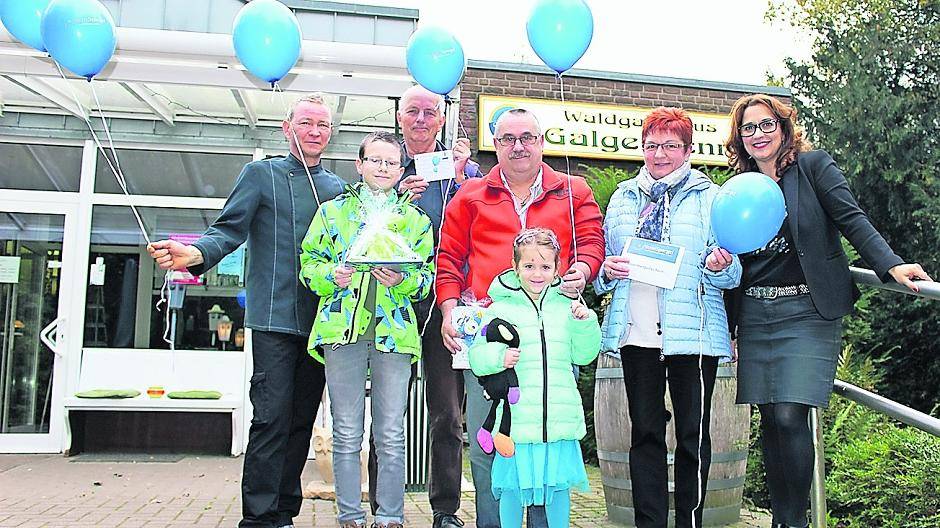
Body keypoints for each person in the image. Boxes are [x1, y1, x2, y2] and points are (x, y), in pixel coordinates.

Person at [723, 94, 933, 528]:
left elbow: (851, 217)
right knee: (769, 417)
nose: (758, 134)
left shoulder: (813, 167)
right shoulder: (737, 185)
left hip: (807, 310)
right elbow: (731, 253)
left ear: (782, 128)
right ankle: (782, 519)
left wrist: (889, 263)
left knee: (789, 412)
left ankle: (795, 521)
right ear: (739, 138)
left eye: (766, 125)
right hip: (756, 313)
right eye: (748, 128)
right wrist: (730, 324)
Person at [148, 93, 346, 528]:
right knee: (271, 418)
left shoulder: (337, 189)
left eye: (323, 126)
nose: (315, 132)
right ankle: (257, 519)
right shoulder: (260, 174)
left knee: (300, 422)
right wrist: (195, 254)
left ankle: (283, 513)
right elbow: (227, 229)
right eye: (307, 123)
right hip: (273, 318)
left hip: (322, 325)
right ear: (286, 127)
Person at [436, 108, 605, 527]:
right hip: (490, 338)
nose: (518, 146)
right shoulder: (471, 194)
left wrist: (580, 273)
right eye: (508, 138)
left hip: (551, 337)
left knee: (546, 437)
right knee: (491, 440)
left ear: (541, 141)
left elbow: (591, 244)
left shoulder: (574, 190)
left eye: (527, 137)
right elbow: (448, 258)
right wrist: (448, 310)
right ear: (495, 144)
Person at [593, 106, 741, 528]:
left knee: (693, 439)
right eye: (652, 145)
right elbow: (605, 267)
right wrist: (607, 271)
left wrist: (720, 265)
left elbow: (733, 274)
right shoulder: (623, 196)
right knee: (645, 436)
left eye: (670, 146)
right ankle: (649, 522)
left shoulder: (711, 198)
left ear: (689, 150)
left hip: (692, 336)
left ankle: (689, 522)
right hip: (637, 334)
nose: (659, 154)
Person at [299, 131, 435, 528]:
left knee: (392, 431)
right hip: (342, 330)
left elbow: (427, 276)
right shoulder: (332, 212)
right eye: (375, 160)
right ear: (359, 165)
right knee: (344, 430)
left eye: (391, 162)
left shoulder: (415, 220)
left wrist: (402, 281)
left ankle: (391, 517)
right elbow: (309, 264)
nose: (382, 168)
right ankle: (349, 516)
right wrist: (332, 276)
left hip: (395, 334)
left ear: (401, 168)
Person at [367, 85, 482, 528]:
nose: (419, 118)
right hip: (394, 298)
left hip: (445, 301)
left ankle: (445, 510)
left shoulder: (466, 171)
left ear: (441, 119)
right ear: (399, 118)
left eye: (428, 111)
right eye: (411, 111)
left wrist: (463, 180)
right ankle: (383, 506)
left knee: (448, 411)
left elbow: (479, 219)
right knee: (388, 408)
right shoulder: (385, 167)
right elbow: (363, 228)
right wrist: (397, 199)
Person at [468, 228, 600, 528]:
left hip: (558, 422)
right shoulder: (499, 308)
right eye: (528, 266)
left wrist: (585, 323)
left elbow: (583, 356)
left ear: (557, 270)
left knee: (557, 491)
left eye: (545, 267)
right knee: (513, 490)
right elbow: (477, 357)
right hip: (516, 424)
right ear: (515, 268)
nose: (536, 274)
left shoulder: (567, 308)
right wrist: (497, 358)